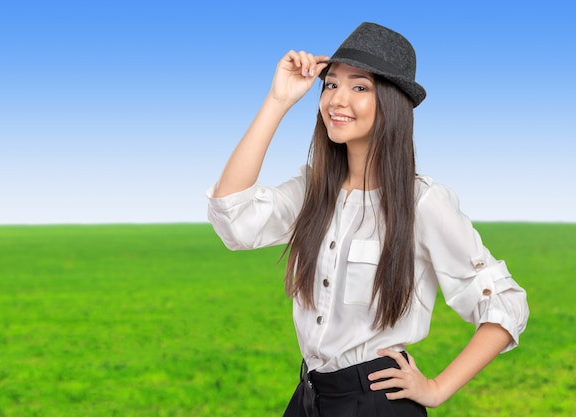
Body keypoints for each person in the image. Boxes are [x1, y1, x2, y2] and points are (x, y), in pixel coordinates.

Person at [206, 22, 529, 416]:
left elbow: (505, 303)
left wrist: (437, 388)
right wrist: (277, 101)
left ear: (392, 103)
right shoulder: (313, 190)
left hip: (377, 402)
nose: (337, 99)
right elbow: (233, 219)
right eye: (331, 85)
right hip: (309, 396)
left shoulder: (423, 203)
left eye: (359, 87)